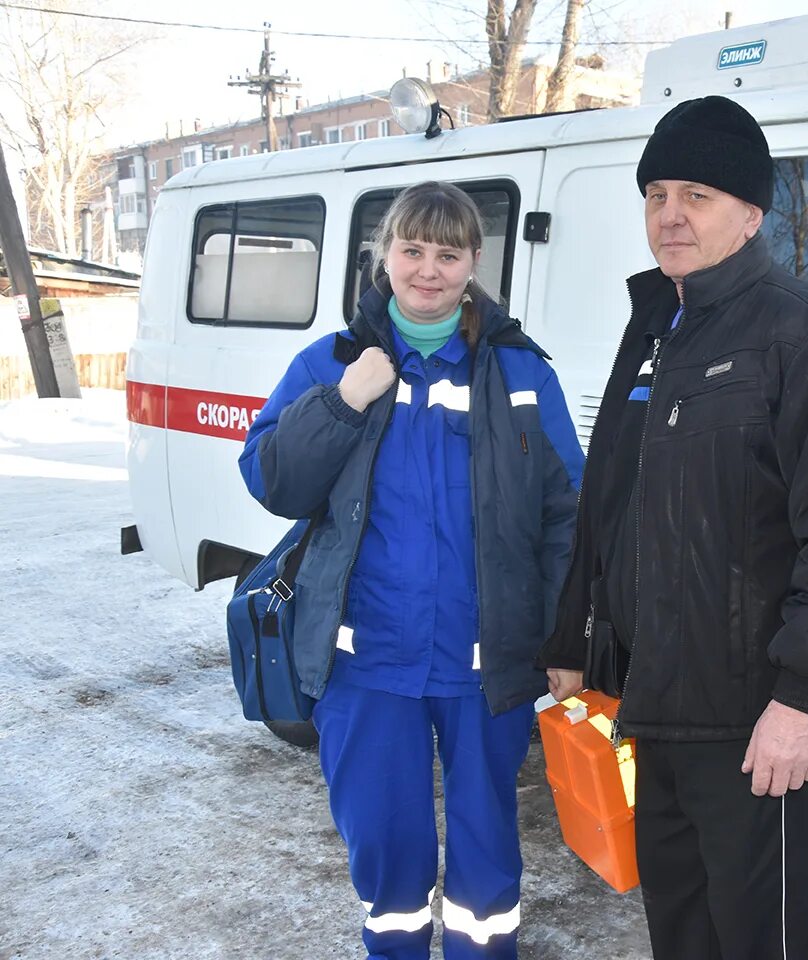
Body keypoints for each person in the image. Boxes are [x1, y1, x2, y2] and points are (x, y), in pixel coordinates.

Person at [540, 96, 808, 960]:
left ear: (750, 214)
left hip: (753, 721)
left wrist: (803, 699)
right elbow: (610, 503)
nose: (671, 214)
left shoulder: (806, 337)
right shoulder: (656, 328)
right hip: (654, 704)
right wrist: (571, 637)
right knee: (681, 932)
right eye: (657, 193)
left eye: (697, 195)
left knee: (753, 944)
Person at [238, 180, 584, 960]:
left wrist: (568, 638)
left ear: (474, 263)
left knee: (486, 866)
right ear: (384, 255)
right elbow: (271, 481)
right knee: (387, 860)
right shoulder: (329, 364)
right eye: (413, 250)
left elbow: (568, 517)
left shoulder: (522, 373)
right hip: (367, 668)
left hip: (486, 668)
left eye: (448, 253)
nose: (428, 270)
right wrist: (342, 404)